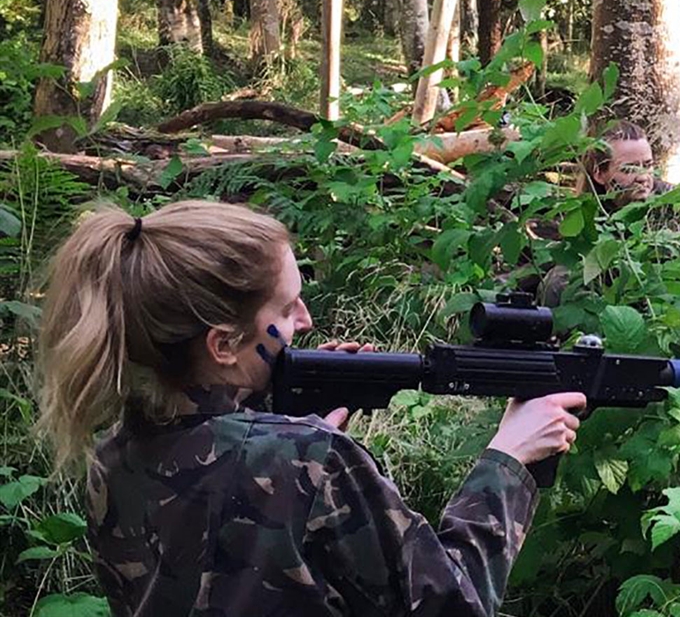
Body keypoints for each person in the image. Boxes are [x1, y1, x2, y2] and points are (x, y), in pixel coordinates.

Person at [36, 200, 584, 617]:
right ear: (223, 345)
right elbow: (454, 604)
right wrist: (508, 460)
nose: (305, 319)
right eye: (285, 307)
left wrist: (281, 418)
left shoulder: (113, 454)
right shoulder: (310, 459)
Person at [533, 120, 680, 306]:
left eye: (648, 165)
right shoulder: (583, 216)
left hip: (679, 308)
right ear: (599, 174)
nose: (643, 177)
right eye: (629, 169)